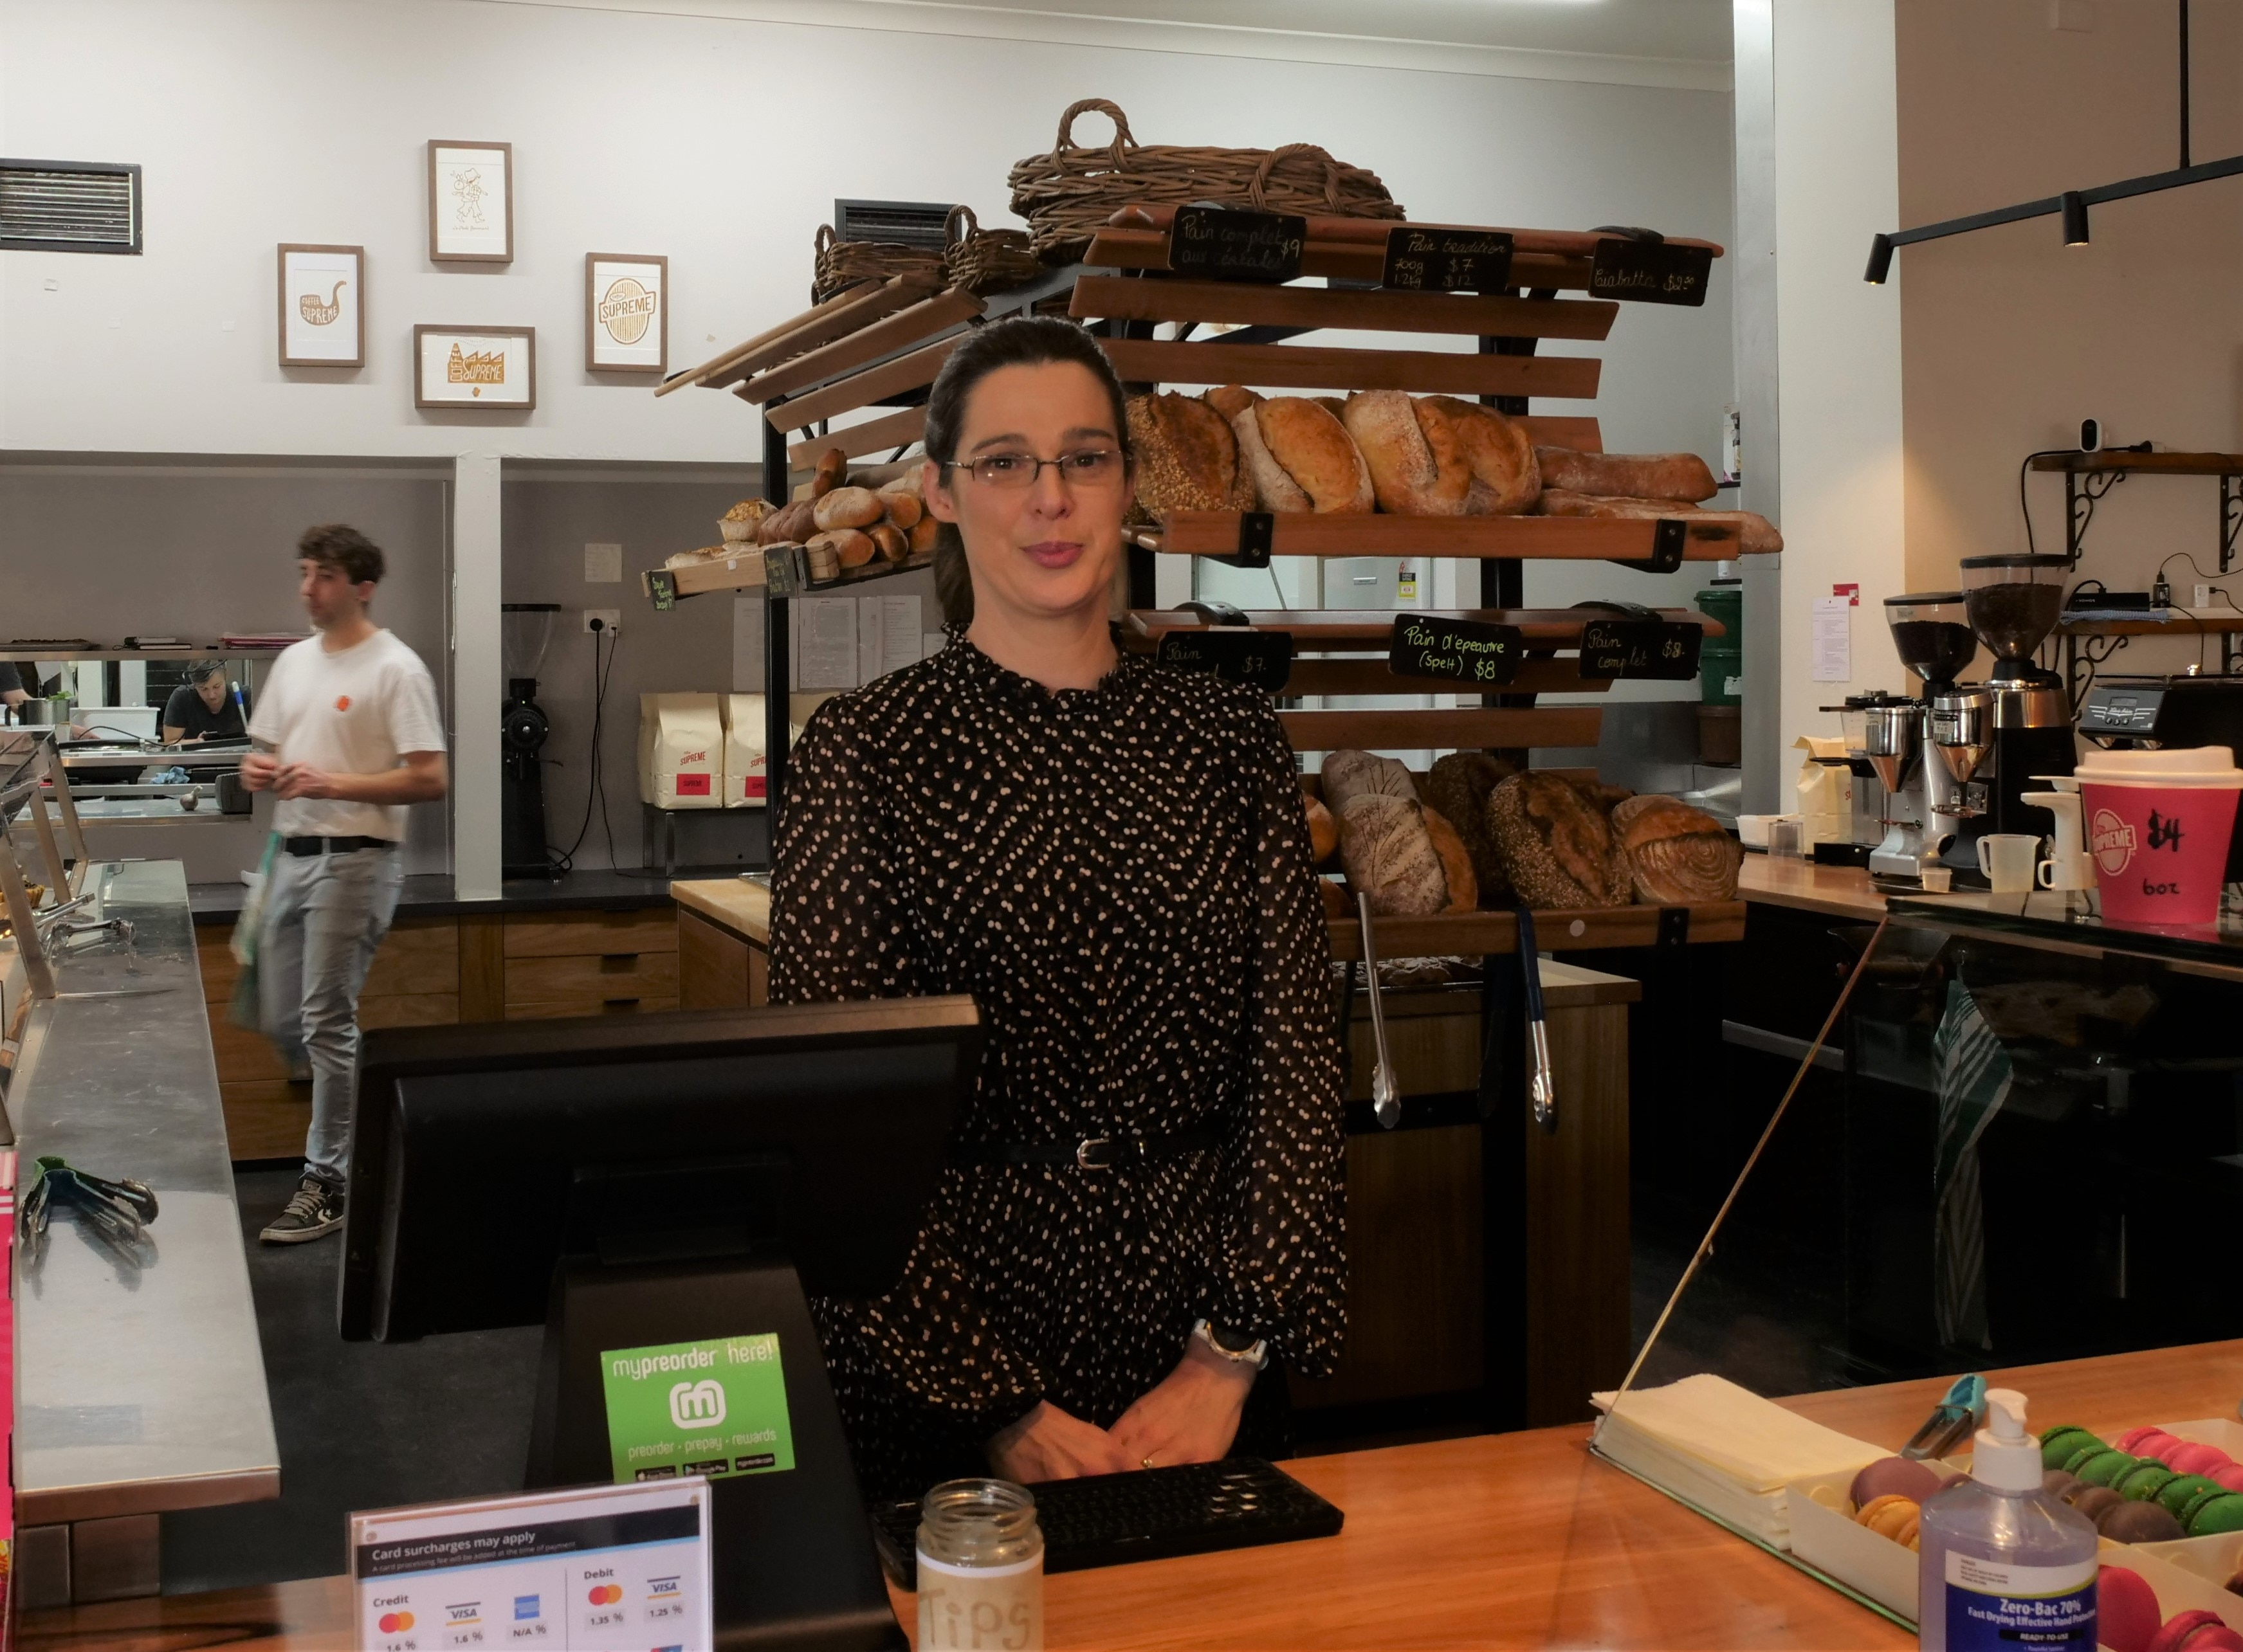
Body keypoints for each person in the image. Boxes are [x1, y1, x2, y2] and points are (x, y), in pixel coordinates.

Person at [768, 316, 1346, 1501]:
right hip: (945, 1341)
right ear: (938, 490)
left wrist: (1227, 1350)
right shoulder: (868, 751)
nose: (1050, 499)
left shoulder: (1229, 743)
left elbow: (1294, 1059)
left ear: (1125, 486)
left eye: (1085, 458)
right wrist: (993, 1400)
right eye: (1004, 463)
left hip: (1198, 1343)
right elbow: (833, 1121)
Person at [243, 525, 447, 1244]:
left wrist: (335, 780)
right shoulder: (294, 663)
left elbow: (430, 776)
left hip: (358, 860)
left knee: (327, 1019)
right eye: (304, 572)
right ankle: (379, 1139)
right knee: (282, 1020)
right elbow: (262, 753)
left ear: (362, 586)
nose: (308, 587)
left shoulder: (397, 669)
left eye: (324, 575)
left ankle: (328, 1180)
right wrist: (257, 771)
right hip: (289, 855)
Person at [161, 660, 248, 744]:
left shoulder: (246, 696)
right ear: (194, 685)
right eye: (203, 689)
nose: (212, 695)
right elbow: (170, 743)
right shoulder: (183, 698)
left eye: (217, 687)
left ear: (226, 676)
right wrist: (197, 743)